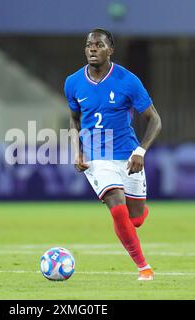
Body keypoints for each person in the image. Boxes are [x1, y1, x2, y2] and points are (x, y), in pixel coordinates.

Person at [64, 29, 162, 281]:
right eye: (88, 45)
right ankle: (143, 267)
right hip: (97, 157)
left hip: (128, 156)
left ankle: (139, 214)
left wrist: (140, 150)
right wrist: (78, 150)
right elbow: (75, 119)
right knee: (117, 208)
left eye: (99, 45)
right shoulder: (73, 82)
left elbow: (155, 120)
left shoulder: (128, 81)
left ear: (110, 50)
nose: (92, 49)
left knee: (135, 219)